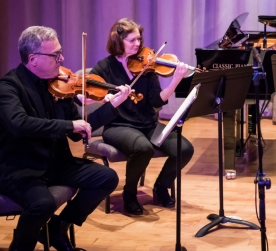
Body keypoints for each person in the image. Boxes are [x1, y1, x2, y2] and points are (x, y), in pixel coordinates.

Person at [0, 26, 132, 251]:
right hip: (22, 168)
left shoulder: (57, 86)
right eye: (55, 55)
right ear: (33, 59)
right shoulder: (9, 87)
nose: (61, 59)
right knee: (42, 204)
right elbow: (19, 123)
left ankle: (57, 228)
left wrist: (112, 105)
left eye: (60, 53)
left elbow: (78, 130)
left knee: (107, 178)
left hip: (55, 163)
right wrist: (69, 124)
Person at [90, 18, 194, 215]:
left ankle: (161, 186)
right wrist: (107, 97)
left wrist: (176, 80)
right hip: (118, 126)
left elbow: (156, 101)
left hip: (147, 124)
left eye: (139, 39)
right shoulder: (105, 67)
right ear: (118, 40)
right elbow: (89, 90)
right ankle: (129, 194)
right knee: (143, 148)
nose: (138, 44)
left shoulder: (147, 65)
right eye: (132, 40)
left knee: (184, 148)